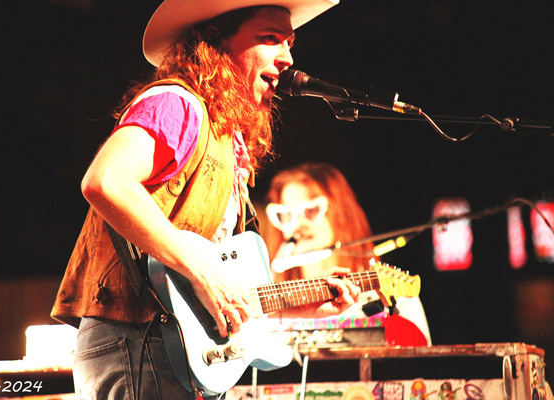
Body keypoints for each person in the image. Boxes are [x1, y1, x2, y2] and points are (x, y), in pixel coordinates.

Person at [50, 1, 360, 399]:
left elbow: (208, 278)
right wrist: (202, 271)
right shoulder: (176, 104)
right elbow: (105, 181)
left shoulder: (224, 137)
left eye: (290, 42)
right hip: (139, 342)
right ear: (215, 42)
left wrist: (287, 304)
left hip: (170, 349)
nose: (288, 58)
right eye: (270, 38)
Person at [264, 162, 432, 346]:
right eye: (287, 215)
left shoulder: (388, 288)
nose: (298, 224)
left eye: (311, 210)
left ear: (339, 212)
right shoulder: (272, 294)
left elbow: (416, 355)